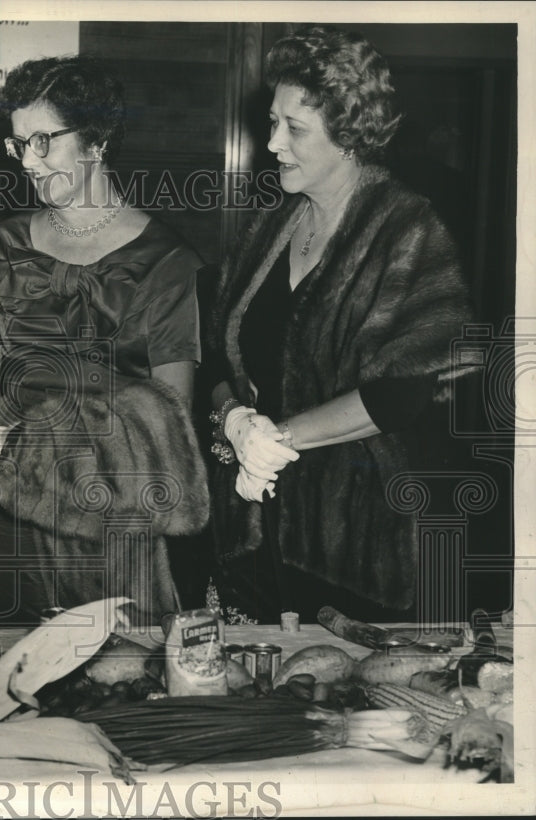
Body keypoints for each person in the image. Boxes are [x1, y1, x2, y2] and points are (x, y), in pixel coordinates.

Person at [204, 26, 474, 623]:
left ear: (349, 135)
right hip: (258, 520)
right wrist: (236, 421)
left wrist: (281, 441)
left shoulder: (407, 231)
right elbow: (216, 356)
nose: (272, 143)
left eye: (294, 129)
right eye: (272, 122)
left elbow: (404, 392)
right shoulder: (268, 230)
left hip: (358, 533)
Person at [0, 56, 209, 626]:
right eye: (18, 145)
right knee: (1, 676)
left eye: (43, 140)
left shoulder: (165, 263)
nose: (28, 161)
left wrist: (44, 441)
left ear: (95, 140)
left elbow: (172, 412)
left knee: (114, 681)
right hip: (3, 503)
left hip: (108, 510)